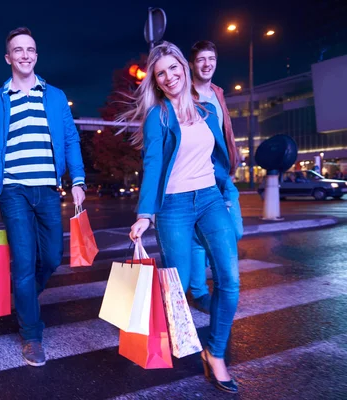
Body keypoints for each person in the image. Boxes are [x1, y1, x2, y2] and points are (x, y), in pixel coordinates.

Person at [123, 41, 239, 393]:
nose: (170, 77)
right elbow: (153, 164)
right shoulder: (158, 116)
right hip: (172, 206)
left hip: (209, 200)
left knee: (230, 279)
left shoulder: (206, 108)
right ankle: (163, 331)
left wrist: (226, 190)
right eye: (161, 74)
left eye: (174, 69)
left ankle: (215, 353)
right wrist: (146, 214)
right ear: (156, 81)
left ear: (184, 70)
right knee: (179, 284)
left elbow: (219, 153)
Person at [0, 27, 86, 367]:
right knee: (23, 264)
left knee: (52, 258)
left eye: (31, 49)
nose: (25, 55)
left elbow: (70, 139)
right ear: (8, 58)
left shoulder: (53, 96)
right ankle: (32, 335)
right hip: (14, 191)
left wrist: (78, 178)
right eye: (18, 50)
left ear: (36, 55)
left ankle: (25, 300)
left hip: (48, 190)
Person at [187, 40, 243, 314]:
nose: (207, 64)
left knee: (236, 231)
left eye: (211, 59)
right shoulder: (187, 97)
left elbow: (223, 131)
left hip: (225, 176)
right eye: (201, 59)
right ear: (192, 64)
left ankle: (207, 282)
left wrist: (234, 153)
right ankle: (198, 291)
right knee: (200, 240)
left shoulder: (218, 93)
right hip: (204, 177)